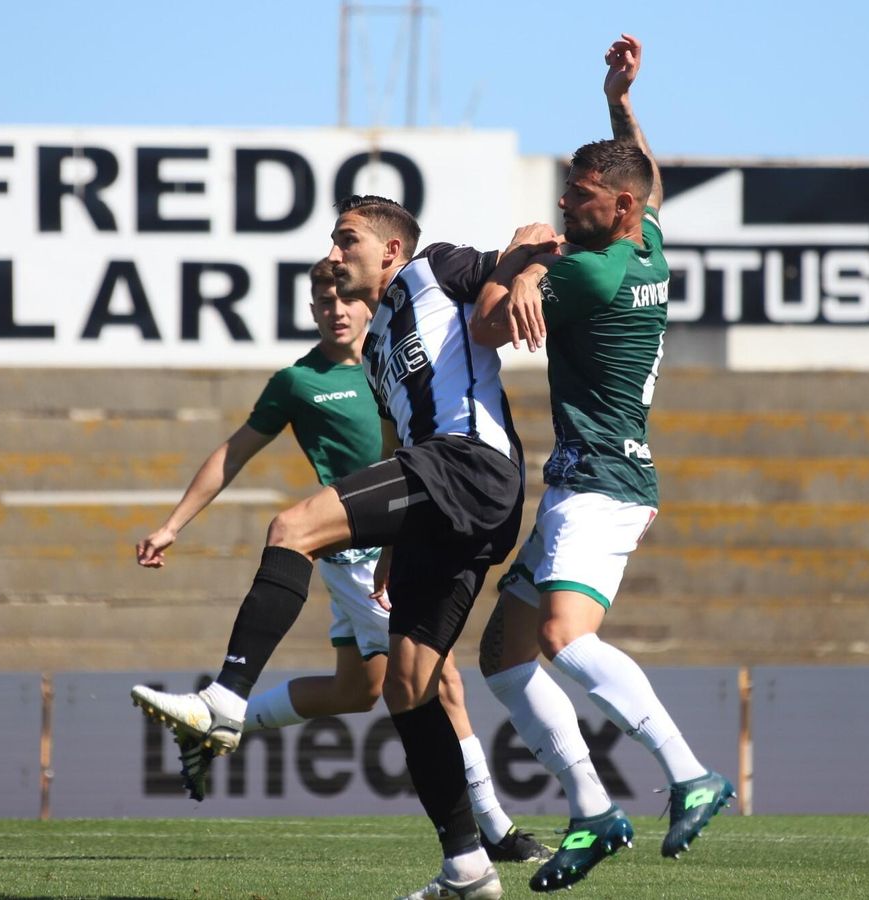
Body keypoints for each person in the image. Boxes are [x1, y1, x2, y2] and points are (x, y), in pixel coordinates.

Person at [131, 196, 560, 899]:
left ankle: (226, 700)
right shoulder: (380, 344)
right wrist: (391, 538)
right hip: (450, 500)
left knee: (292, 527)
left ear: (391, 252)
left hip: (471, 467)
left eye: (345, 240)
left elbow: (542, 236)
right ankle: (468, 869)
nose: (333, 256)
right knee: (407, 686)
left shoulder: (437, 267)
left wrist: (524, 276)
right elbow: (395, 441)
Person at [470, 34, 735, 893]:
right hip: (586, 477)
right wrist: (620, 103)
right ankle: (593, 812)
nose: (561, 202)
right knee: (505, 657)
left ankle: (691, 774)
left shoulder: (586, 276)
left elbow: (482, 326)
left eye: (578, 197)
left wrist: (516, 257)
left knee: (561, 636)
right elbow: (645, 172)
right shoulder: (645, 235)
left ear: (614, 208)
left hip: (603, 484)